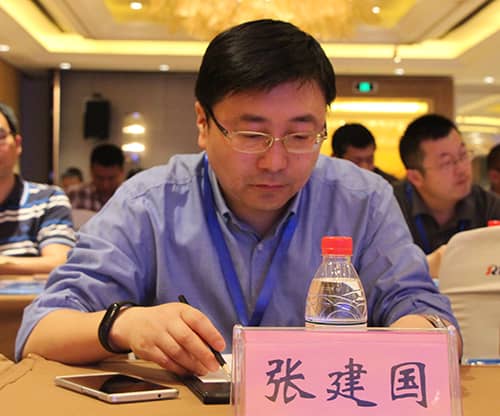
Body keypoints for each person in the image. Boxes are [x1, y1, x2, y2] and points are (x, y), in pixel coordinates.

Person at [16, 20, 460, 375]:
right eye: (251, 134)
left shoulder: (362, 200)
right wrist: (124, 323)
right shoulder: (150, 203)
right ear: (203, 123)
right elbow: (38, 332)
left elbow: (428, 315)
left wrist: (416, 334)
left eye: (301, 136)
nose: (275, 162)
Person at [394, 113, 500, 277]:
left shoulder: (489, 206)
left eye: (463, 155)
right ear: (416, 177)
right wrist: (426, 266)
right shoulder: (390, 208)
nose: (461, 169)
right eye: (447, 163)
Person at [0, 102, 76, 274]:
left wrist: (3, 264)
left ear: (17, 144)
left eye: (0, 136)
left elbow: (59, 262)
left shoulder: (48, 200)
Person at [331, 122, 398, 184]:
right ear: (335, 159)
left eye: (369, 161)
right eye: (356, 162)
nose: (365, 168)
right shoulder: (326, 185)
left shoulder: (388, 186)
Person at [67, 143, 125, 212]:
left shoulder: (130, 199)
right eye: (99, 178)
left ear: (122, 172)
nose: (105, 185)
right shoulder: (73, 195)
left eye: (111, 178)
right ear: (91, 171)